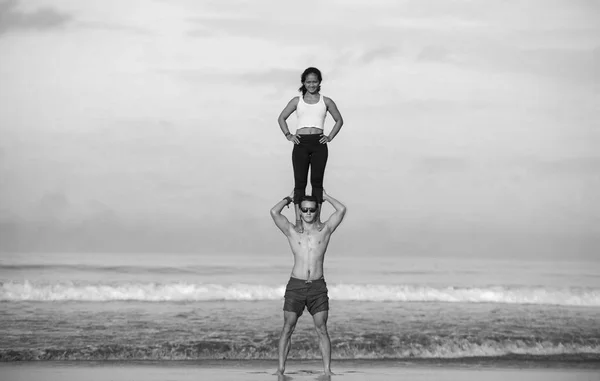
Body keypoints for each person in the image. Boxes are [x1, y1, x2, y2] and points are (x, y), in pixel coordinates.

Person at [270, 189, 347, 376]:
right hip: (296, 285)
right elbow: (274, 212)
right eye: (304, 209)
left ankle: (327, 371)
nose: (308, 213)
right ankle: (280, 370)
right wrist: (290, 198)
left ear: (317, 210)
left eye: (312, 209)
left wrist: (326, 197)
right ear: (299, 211)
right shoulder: (292, 231)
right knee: (288, 327)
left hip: (317, 286)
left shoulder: (324, 230)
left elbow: (342, 210)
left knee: (322, 328)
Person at [277, 67, 344, 232]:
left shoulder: (326, 101)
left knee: (317, 182)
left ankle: (318, 219)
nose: (311, 85)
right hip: (300, 143)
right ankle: (298, 220)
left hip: (318, 144)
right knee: (300, 183)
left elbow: (339, 120)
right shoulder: (296, 101)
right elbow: (281, 118)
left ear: (319, 82)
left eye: (314, 81)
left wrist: (329, 137)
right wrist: (288, 135)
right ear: (303, 83)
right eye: (308, 82)